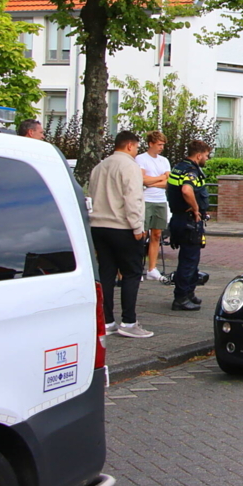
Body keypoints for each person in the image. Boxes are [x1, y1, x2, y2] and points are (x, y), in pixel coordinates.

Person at [90, 130, 153, 338]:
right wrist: (138, 227)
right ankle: (128, 321)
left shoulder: (99, 167)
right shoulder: (130, 166)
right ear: (129, 146)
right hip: (123, 227)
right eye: (136, 147)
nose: (136, 151)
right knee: (132, 273)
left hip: (99, 226)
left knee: (106, 273)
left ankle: (107, 321)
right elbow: (132, 198)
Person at [166, 140, 211, 311]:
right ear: (199, 155)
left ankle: (189, 292)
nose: (207, 159)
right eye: (206, 155)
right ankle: (181, 298)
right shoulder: (191, 171)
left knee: (191, 259)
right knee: (188, 260)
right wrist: (196, 208)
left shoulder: (178, 167)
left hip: (178, 218)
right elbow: (186, 190)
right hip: (188, 220)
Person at [135, 131, 171, 281]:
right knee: (142, 234)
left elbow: (168, 182)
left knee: (156, 234)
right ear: (151, 144)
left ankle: (152, 268)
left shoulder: (164, 161)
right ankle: (137, 268)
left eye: (163, 145)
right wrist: (160, 178)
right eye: (159, 144)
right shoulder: (141, 159)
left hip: (160, 200)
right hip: (146, 200)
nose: (161, 147)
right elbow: (142, 179)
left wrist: (154, 181)